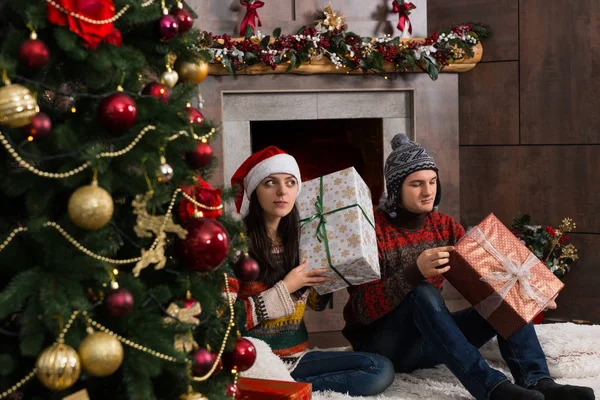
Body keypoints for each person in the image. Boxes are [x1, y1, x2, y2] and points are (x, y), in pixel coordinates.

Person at [342, 133, 595, 400]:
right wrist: (413, 273)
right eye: (416, 184)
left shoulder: (445, 226)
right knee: (421, 292)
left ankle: (537, 381)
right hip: (385, 348)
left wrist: (534, 292)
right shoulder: (371, 231)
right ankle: (490, 387)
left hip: (430, 343)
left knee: (507, 287)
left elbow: (494, 273)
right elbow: (358, 313)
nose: (428, 192)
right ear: (395, 190)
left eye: (432, 182)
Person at [228, 146, 395, 396]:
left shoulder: (303, 240)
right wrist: (286, 288)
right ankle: (273, 388)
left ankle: (285, 390)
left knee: (378, 369)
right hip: (250, 360)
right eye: (270, 183)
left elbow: (316, 304)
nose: (282, 191)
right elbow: (223, 321)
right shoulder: (234, 246)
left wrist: (330, 271)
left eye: (290, 183)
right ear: (254, 191)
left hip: (295, 359)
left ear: (298, 190)